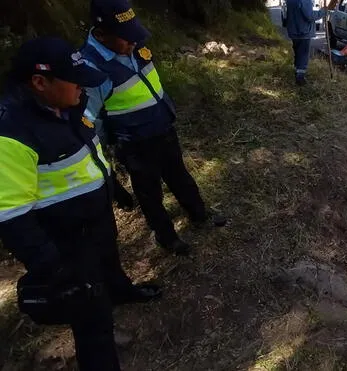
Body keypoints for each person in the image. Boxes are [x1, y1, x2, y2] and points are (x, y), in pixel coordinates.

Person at [0, 37, 161, 371]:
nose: (82, 86)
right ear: (40, 82)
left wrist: (112, 186)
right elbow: (11, 216)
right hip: (67, 243)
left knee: (110, 266)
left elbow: (88, 150)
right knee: (92, 322)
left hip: (96, 220)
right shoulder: (11, 133)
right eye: (73, 79)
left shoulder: (69, 103)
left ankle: (121, 290)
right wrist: (53, 266)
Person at [82, 0, 227, 256]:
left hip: (162, 127)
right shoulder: (90, 69)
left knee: (180, 176)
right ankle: (167, 236)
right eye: (125, 39)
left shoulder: (133, 45)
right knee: (149, 192)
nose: (133, 43)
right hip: (134, 142)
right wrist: (108, 167)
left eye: (134, 36)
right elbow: (92, 121)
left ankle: (199, 214)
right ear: (102, 35)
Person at [286, 0, 338, 85]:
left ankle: (297, 72)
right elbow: (310, 16)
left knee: (298, 53)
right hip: (303, 32)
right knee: (303, 55)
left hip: (294, 30)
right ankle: (300, 77)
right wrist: (323, 11)